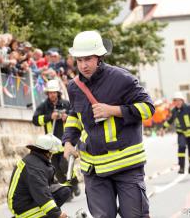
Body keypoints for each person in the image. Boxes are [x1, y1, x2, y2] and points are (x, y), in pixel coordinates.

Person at [62, 31, 154, 218]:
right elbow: (74, 115)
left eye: (88, 59)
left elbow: (148, 108)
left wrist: (113, 110)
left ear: (99, 57)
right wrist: (68, 142)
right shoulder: (73, 87)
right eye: (79, 60)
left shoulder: (121, 78)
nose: (84, 65)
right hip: (93, 169)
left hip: (126, 165)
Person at [32, 79, 80, 197]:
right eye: (50, 92)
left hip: (64, 141)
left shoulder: (65, 103)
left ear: (58, 93)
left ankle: (74, 184)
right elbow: (35, 120)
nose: (52, 94)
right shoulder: (44, 106)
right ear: (47, 94)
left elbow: (76, 116)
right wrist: (49, 116)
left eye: (54, 92)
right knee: (55, 169)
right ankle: (67, 192)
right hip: (51, 143)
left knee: (65, 165)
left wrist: (66, 117)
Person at [7, 134, 70, 218]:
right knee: (49, 207)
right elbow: (41, 192)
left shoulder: (37, 161)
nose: (52, 155)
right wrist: (57, 214)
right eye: (51, 153)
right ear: (47, 153)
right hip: (21, 206)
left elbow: (49, 185)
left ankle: (47, 214)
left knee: (63, 191)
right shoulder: (34, 168)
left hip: (30, 196)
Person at [165, 92, 190, 174]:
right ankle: (181, 167)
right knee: (181, 147)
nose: (177, 102)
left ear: (182, 101)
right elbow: (170, 121)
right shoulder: (174, 111)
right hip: (181, 133)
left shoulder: (189, 108)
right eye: (175, 101)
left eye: (179, 100)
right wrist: (163, 128)